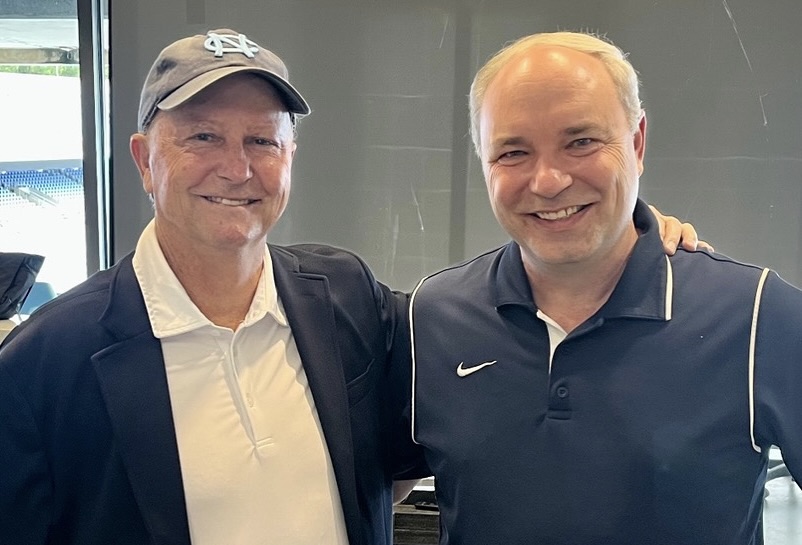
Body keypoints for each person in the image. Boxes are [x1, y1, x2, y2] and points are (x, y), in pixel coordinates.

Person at [0, 28, 701, 545]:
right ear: (143, 161)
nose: (237, 168)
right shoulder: (44, 365)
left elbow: (490, 340)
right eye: (203, 138)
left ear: (290, 157)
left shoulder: (345, 297)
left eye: (262, 141)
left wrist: (622, 239)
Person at [394, 31, 802, 544]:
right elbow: (375, 486)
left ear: (637, 142)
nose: (548, 181)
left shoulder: (758, 315)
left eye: (581, 142)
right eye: (513, 152)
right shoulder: (430, 317)